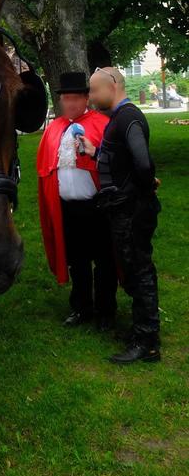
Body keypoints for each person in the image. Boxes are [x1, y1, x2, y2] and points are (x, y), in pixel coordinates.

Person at [80, 67, 162, 364]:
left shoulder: (128, 117)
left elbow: (142, 163)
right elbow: (124, 158)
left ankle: (147, 341)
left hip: (131, 211)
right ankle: (142, 332)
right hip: (125, 209)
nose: (89, 97)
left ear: (113, 85)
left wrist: (136, 192)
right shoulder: (118, 119)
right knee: (132, 270)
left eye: (93, 90)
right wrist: (95, 152)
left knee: (139, 271)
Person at [37, 72, 116, 330]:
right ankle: (81, 307)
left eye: (75, 98)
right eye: (66, 99)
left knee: (104, 261)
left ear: (85, 99)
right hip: (66, 209)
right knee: (78, 261)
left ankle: (105, 311)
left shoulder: (102, 124)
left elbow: (115, 164)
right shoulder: (53, 129)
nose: (70, 104)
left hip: (97, 207)